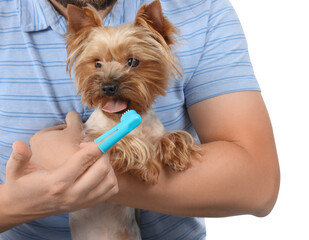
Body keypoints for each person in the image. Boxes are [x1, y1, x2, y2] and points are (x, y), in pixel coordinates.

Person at [0, 0, 280, 239]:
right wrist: (14, 204)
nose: (109, 81)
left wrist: (74, 167)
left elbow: (259, 186)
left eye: (131, 62)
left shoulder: (203, 9)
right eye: (97, 64)